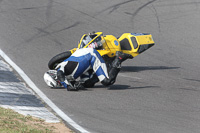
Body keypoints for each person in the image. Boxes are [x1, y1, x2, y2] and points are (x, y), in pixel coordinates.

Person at [44, 48, 133, 91]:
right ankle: (108, 66)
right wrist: (76, 85)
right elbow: (74, 83)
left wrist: (67, 86)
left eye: (58, 83)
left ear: (54, 75)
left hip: (91, 56)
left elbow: (60, 74)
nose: (60, 84)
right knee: (87, 84)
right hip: (85, 60)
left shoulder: (60, 68)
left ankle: (119, 58)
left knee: (107, 82)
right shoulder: (64, 71)